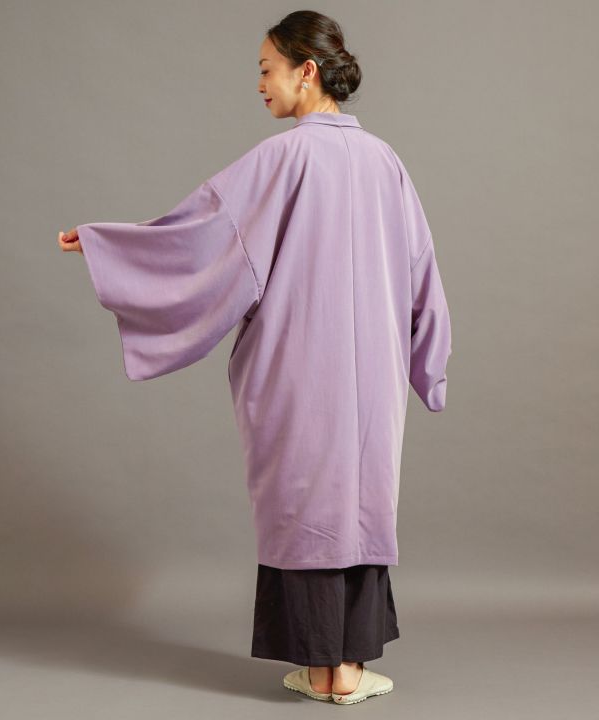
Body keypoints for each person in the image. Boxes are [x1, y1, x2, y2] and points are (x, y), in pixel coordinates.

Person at [58, 10, 452, 705]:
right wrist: (429, 367)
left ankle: (320, 669)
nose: (260, 83)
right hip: (373, 378)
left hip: (299, 372)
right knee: (359, 502)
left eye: (268, 69)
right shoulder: (386, 162)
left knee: (308, 504)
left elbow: (201, 240)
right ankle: (348, 671)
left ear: (308, 71)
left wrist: (108, 246)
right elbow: (423, 272)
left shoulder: (281, 160)